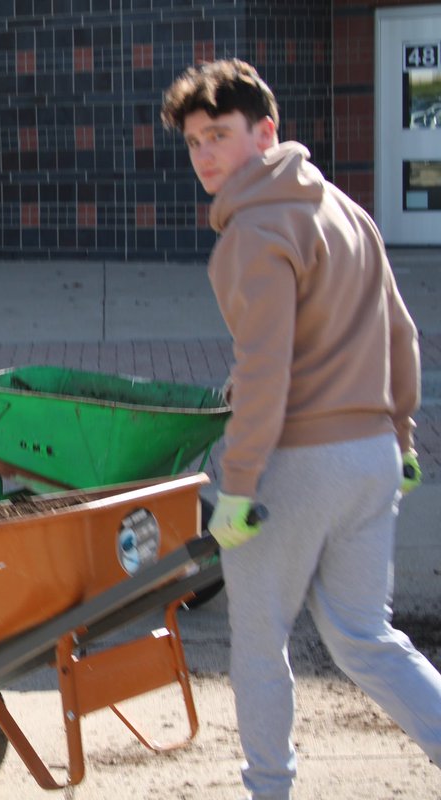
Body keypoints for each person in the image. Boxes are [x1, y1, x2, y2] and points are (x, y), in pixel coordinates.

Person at [160, 58, 440, 799]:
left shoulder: (253, 232)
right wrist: (402, 437)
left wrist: (238, 487)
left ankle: (269, 790)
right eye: (193, 142)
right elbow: (401, 336)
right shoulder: (347, 212)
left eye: (219, 134)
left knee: (258, 643)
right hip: (371, 459)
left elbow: (264, 370)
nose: (206, 154)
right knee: (365, 638)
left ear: (266, 133)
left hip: (298, 465)